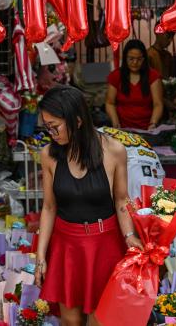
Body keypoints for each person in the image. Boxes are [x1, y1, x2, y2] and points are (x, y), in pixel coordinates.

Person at [35, 85, 144, 326]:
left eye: (55, 126)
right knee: (71, 321)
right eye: (47, 127)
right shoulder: (49, 155)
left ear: (77, 121)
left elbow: (121, 200)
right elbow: (49, 207)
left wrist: (129, 235)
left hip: (105, 245)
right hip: (67, 246)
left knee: (100, 320)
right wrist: (41, 255)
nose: (51, 133)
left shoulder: (114, 151)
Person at [105, 39, 164, 130]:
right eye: (131, 59)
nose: (135, 63)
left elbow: (158, 104)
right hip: (123, 130)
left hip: (147, 129)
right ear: (125, 58)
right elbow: (110, 102)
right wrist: (116, 123)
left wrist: (153, 124)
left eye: (139, 59)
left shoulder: (153, 76)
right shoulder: (115, 76)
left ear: (144, 59)